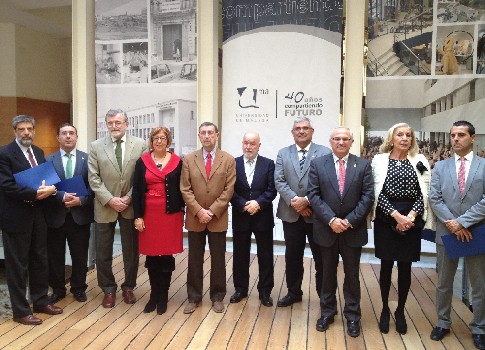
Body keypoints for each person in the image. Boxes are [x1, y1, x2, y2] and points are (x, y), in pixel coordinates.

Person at [307, 127, 374, 337]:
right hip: (327, 229)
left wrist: (348, 221)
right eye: (337, 138)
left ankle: (353, 316)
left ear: (352, 142)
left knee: (352, 275)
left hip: (352, 230)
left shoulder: (363, 165)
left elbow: (368, 197)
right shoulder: (318, 164)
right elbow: (313, 195)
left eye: (345, 139)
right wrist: (332, 220)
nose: (341, 142)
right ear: (330, 141)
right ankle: (327, 312)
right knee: (327, 273)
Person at [0, 115, 63, 325]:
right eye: (21, 129)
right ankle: (20, 311)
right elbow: (6, 185)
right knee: (17, 266)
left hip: (38, 215)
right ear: (14, 131)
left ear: (34, 130)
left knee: (39, 259)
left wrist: (51, 188)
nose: (26, 133)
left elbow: (44, 177)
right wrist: (35, 193)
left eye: (29, 128)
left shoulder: (38, 152)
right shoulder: (4, 153)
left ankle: (41, 301)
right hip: (16, 217)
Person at [371, 122, 433, 335]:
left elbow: (424, 192)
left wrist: (410, 217)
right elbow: (377, 192)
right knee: (386, 266)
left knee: (405, 267)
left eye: (408, 135)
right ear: (392, 138)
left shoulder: (420, 160)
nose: (405, 138)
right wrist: (396, 216)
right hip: (386, 218)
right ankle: (385, 310)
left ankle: (400, 311)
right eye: (400, 135)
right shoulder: (379, 160)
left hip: (411, 219)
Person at [429, 121, 485, 350]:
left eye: (461, 135)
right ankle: (443, 322)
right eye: (453, 135)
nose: (455, 139)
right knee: (443, 283)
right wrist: (453, 225)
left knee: (479, 284)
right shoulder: (441, 167)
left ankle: (479, 327)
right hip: (447, 233)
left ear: (473, 138)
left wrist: (462, 222)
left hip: (476, 232)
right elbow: (435, 198)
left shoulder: (484, 165)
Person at [88, 109, 148, 308]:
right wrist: (110, 199)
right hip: (105, 206)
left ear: (127, 124)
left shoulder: (140, 145)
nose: (114, 126)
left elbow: (142, 176)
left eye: (118, 122)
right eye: (110, 123)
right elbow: (93, 178)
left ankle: (129, 286)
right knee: (102, 250)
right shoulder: (96, 146)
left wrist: (130, 198)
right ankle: (108, 289)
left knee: (131, 250)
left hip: (130, 205)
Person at [274, 116, 331, 307]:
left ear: (312, 131)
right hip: (291, 214)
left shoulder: (324, 152)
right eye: (297, 128)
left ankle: (324, 296)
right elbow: (279, 181)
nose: (301, 131)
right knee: (293, 257)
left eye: (305, 128)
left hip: (317, 216)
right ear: (292, 132)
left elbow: (326, 182)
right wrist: (295, 202)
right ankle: (293, 292)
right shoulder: (283, 153)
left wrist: (307, 202)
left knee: (321, 258)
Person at [180, 122, 236, 314]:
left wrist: (211, 211)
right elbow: (185, 188)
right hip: (195, 217)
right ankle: (194, 297)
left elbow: (229, 189)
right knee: (194, 259)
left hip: (217, 217)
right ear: (199, 136)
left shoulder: (228, 160)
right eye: (203, 133)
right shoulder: (188, 159)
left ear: (217, 135)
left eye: (210, 133)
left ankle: (217, 296)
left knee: (218, 259)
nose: (206, 136)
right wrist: (198, 211)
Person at [132, 127, 184, 315]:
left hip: (171, 215)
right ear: (151, 141)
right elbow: (136, 191)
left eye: (163, 138)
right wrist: (138, 216)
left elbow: (183, 188)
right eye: (156, 138)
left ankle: (163, 297)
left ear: (168, 141)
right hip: (149, 215)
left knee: (166, 256)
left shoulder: (178, 162)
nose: (159, 141)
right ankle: (153, 296)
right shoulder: (142, 162)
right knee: (152, 256)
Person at [45, 123, 94, 304]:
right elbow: (44, 188)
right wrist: (61, 196)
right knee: (55, 256)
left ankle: (79, 288)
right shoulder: (48, 160)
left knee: (80, 255)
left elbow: (93, 188)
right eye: (64, 133)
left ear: (76, 137)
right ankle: (58, 290)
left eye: (71, 133)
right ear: (58, 137)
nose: (68, 136)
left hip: (79, 216)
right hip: (55, 216)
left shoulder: (88, 159)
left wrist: (81, 200)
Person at [229, 132, 277, 307]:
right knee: (240, 254)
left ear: (259, 145)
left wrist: (258, 203)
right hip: (241, 216)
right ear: (242, 144)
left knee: (265, 255)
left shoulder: (269, 164)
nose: (248, 147)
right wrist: (243, 204)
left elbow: (272, 190)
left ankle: (265, 291)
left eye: (252, 144)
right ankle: (240, 289)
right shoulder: (233, 164)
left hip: (262, 216)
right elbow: (229, 190)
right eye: (246, 143)